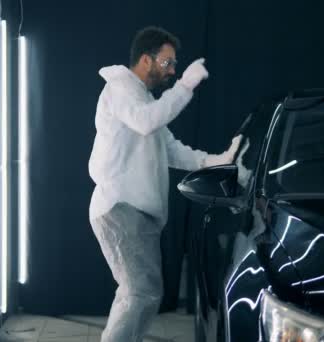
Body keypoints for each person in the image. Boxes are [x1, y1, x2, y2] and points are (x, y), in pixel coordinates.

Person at [88, 26, 243, 341]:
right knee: (139, 293)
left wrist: (220, 160)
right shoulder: (120, 88)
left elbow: (172, 150)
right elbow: (147, 122)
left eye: (175, 66)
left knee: (142, 294)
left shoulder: (143, 100)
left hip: (137, 212)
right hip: (121, 207)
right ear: (146, 60)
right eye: (167, 63)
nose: (172, 71)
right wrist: (186, 85)